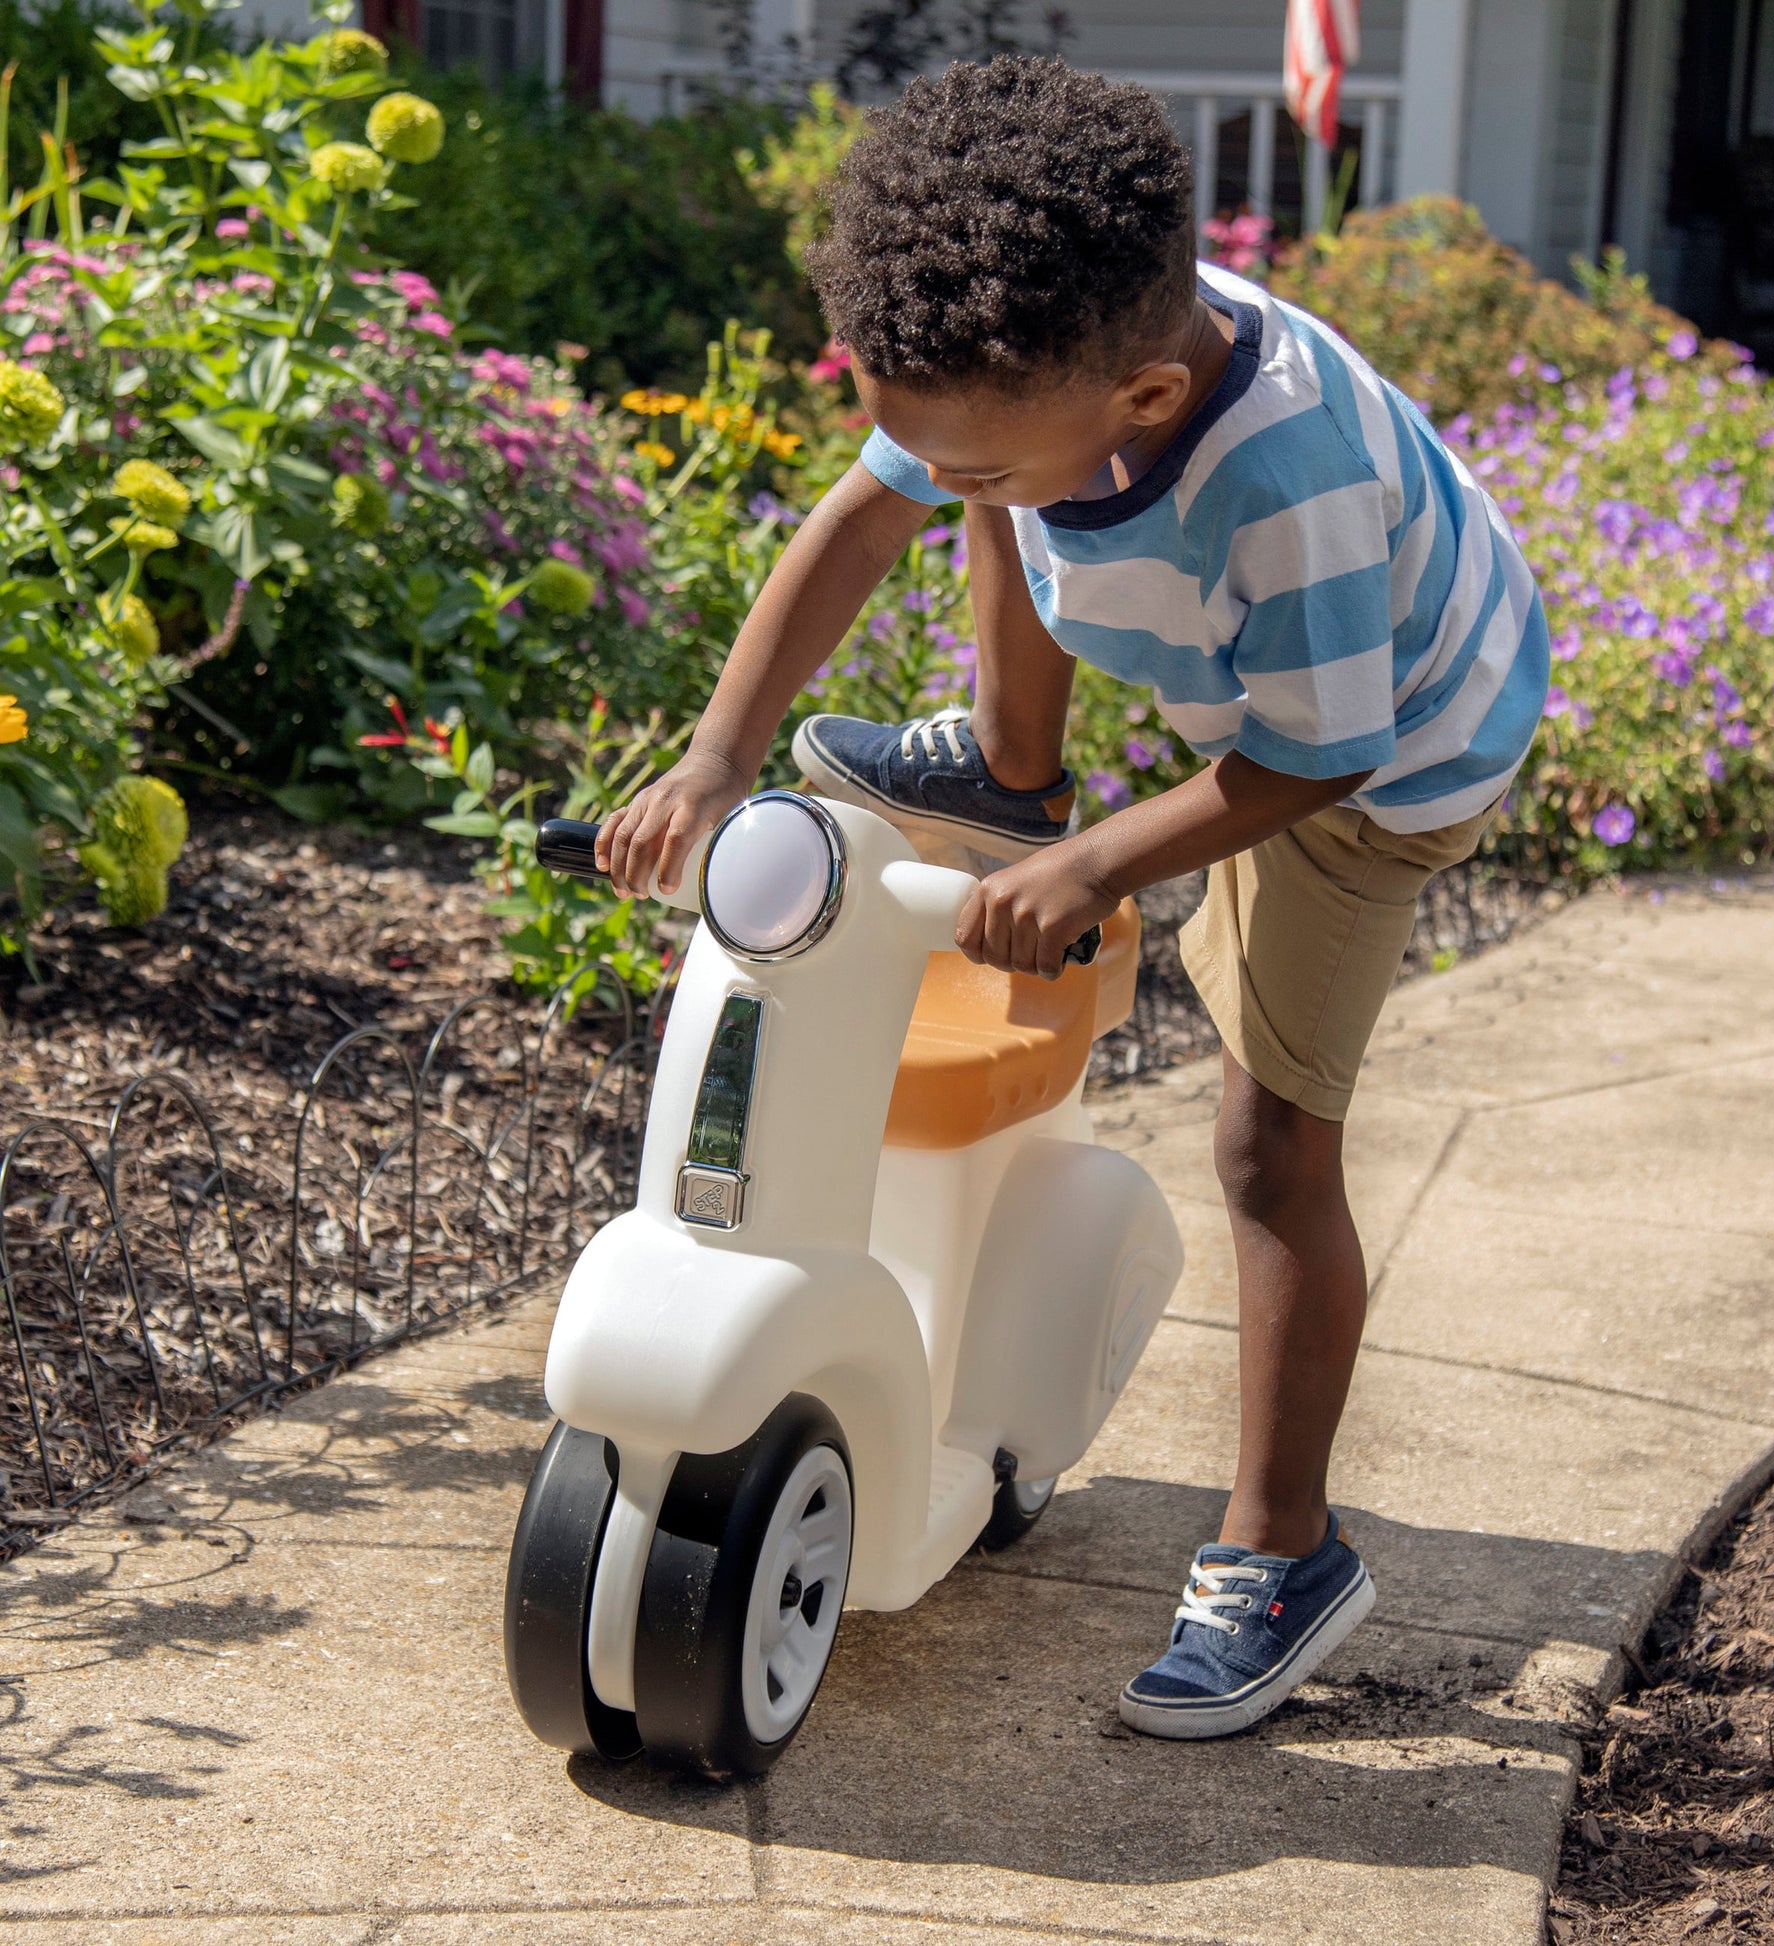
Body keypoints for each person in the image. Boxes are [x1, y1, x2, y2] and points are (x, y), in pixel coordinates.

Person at [597, 55, 1550, 1740]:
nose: (927, 476)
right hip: (1235, 660)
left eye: (958, 456)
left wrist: (1097, 862)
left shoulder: (1283, 481)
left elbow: (1314, 758)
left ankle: (1285, 1548)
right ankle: (1011, 763)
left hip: (1386, 755)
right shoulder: (1037, 380)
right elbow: (859, 521)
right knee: (1008, 510)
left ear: (1143, 405)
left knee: (1269, 1145)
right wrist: (713, 754)